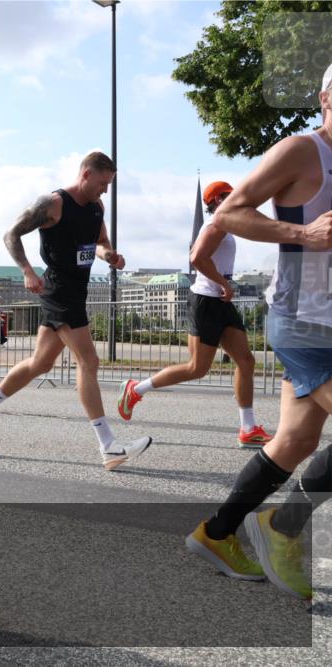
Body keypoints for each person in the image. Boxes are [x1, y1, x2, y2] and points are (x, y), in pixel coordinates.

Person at [185, 63, 332, 601]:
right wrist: (303, 233)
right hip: (303, 320)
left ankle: (218, 533)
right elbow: (229, 213)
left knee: (297, 439)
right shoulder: (302, 151)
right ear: (324, 99)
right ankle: (284, 527)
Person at [0, 152, 152, 470]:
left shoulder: (96, 208)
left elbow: (101, 241)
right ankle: (108, 446)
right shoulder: (54, 204)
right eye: (103, 183)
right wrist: (27, 270)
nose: (105, 190)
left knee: (41, 363)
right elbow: (11, 234)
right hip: (58, 290)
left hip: (76, 292)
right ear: (86, 174)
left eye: (109, 184)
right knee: (89, 361)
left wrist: (110, 256)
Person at [118, 181, 274, 448]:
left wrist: (224, 285)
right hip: (205, 301)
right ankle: (135, 389)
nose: (233, 198)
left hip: (221, 302)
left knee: (246, 361)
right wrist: (223, 283)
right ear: (214, 201)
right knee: (197, 368)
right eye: (227, 195)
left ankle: (248, 428)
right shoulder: (215, 224)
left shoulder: (227, 224)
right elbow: (197, 257)